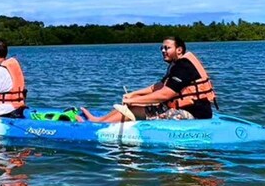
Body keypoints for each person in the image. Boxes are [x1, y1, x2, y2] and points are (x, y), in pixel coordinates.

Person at [81, 37, 216, 122]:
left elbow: (166, 94)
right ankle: (98, 120)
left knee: (134, 108)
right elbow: (158, 87)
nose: (163, 50)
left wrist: (133, 101)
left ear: (179, 50)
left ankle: (98, 124)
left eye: (167, 48)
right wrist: (134, 94)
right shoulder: (176, 65)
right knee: (133, 105)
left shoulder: (184, 66)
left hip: (194, 114)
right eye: (162, 48)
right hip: (186, 108)